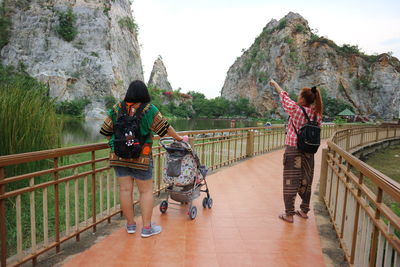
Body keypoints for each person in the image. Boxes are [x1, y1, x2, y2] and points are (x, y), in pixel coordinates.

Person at [100, 80, 184, 237]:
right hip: (141, 157)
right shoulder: (149, 109)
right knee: (145, 192)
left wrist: (115, 144)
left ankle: (131, 225)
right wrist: (179, 138)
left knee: (125, 190)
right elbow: (165, 128)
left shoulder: (117, 108)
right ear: (145, 93)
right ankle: (146, 228)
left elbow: (105, 130)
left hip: (119, 157)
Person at [269, 79, 323, 223]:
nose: (297, 98)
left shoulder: (296, 109)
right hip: (309, 151)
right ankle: (304, 211)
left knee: (290, 181)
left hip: (294, 149)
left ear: (303, 98)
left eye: (299, 96)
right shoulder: (317, 114)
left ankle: (289, 214)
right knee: (306, 180)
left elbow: (283, 96)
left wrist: (275, 84)